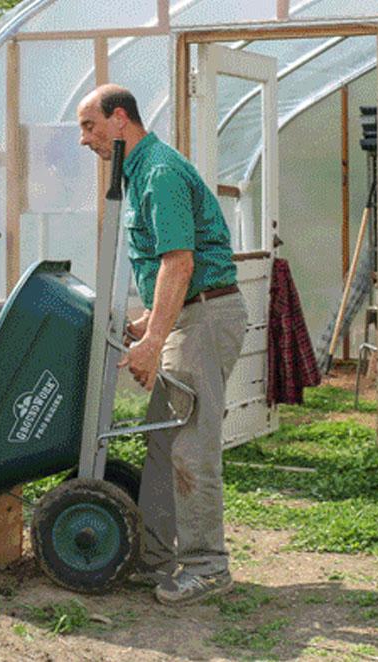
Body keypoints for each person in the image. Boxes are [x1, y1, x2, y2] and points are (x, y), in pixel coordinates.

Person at [77, 84, 248, 605]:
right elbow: (165, 265)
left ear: (120, 119)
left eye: (90, 126)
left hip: (205, 320)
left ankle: (207, 566)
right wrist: (150, 319)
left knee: (191, 445)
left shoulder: (159, 173)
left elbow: (180, 262)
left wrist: (152, 340)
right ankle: (153, 558)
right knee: (163, 440)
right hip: (186, 316)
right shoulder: (138, 172)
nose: (85, 140)